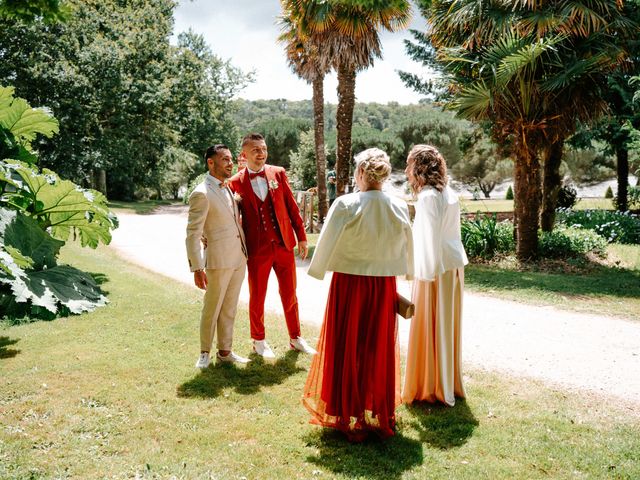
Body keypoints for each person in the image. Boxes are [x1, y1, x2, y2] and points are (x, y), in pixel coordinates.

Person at [303, 148, 414, 441]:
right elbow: (408, 246)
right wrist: (407, 271)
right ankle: (378, 409)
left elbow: (326, 242)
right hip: (381, 285)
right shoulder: (399, 206)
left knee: (347, 345)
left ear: (362, 173)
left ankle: (345, 410)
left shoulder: (345, 204)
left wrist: (318, 269)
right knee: (376, 346)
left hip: (349, 284)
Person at [227, 133, 316, 358]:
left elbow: (291, 206)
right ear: (244, 154)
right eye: (256, 149)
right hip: (257, 249)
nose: (261, 153)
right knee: (257, 296)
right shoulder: (235, 182)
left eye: (264, 149)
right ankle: (258, 341)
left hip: (283, 245)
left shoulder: (278, 173)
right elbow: (232, 217)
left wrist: (302, 237)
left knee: (290, 293)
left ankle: (296, 338)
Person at [402, 144, 468, 406]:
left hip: (434, 270)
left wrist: (423, 275)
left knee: (433, 324)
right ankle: (446, 380)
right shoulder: (449, 193)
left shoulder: (428, 197)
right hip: (452, 266)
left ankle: (432, 385)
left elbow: (428, 240)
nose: (407, 171)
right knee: (447, 325)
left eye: (409, 165)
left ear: (418, 167)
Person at [186, 145, 249, 369]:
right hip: (217, 259)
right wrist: (196, 268)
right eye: (224, 159)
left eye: (231, 159)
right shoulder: (201, 193)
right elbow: (193, 233)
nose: (230, 163)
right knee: (211, 308)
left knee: (230, 307)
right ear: (210, 163)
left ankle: (225, 351)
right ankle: (204, 353)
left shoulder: (229, 188)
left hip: (239, 258)